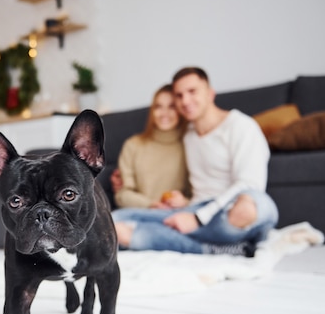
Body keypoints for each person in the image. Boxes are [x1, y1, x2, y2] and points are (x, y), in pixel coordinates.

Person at [113, 67, 279, 256]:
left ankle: (191, 239)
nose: (185, 101)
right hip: (194, 209)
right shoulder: (188, 135)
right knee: (115, 221)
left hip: (226, 212)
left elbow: (250, 184)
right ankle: (219, 248)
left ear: (210, 93)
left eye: (192, 92)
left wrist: (198, 219)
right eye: (179, 95)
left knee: (248, 207)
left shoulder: (241, 126)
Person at [112, 84, 190, 209]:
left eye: (172, 107)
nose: (164, 113)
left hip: (176, 215)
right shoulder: (133, 145)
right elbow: (122, 195)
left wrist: (184, 202)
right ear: (152, 111)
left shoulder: (189, 146)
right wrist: (152, 205)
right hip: (139, 212)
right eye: (158, 107)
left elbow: (196, 196)